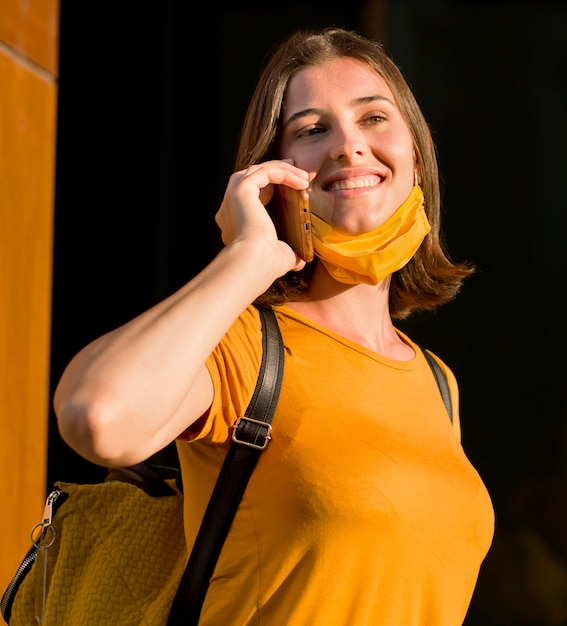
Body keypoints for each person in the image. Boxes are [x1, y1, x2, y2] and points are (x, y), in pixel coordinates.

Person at [53, 26, 494, 625]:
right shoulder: (245, 348)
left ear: (416, 155)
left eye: (372, 118)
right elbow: (94, 415)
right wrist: (247, 259)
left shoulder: (438, 385)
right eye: (312, 130)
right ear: (274, 174)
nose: (347, 145)